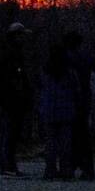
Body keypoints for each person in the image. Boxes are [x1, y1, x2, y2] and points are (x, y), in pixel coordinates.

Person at [0, 23, 31, 176]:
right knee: (9, 134)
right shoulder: (11, 54)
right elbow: (10, 80)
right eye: (21, 35)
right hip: (9, 101)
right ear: (15, 36)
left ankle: (9, 166)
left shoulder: (12, 53)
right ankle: (7, 167)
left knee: (11, 134)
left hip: (10, 100)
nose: (24, 39)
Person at [38, 38, 79, 180]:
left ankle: (50, 170)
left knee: (50, 144)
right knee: (65, 144)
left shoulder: (45, 71)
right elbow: (76, 89)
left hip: (49, 111)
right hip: (66, 112)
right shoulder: (69, 72)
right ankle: (66, 170)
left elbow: (41, 88)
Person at [63, 30, 95, 181]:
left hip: (70, 100)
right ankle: (87, 168)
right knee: (83, 135)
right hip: (84, 100)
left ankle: (71, 166)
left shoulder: (66, 58)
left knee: (71, 135)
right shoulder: (86, 57)